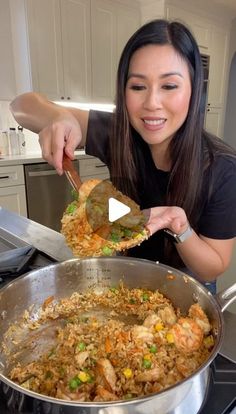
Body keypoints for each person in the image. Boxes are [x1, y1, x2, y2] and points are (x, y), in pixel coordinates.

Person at [10, 19, 236, 294]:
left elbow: (214, 266)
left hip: (188, 287)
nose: (152, 103)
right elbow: (21, 105)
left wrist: (179, 225)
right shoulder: (118, 134)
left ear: (193, 91)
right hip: (128, 278)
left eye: (169, 86)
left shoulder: (223, 168)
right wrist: (60, 117)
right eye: (138, 87)